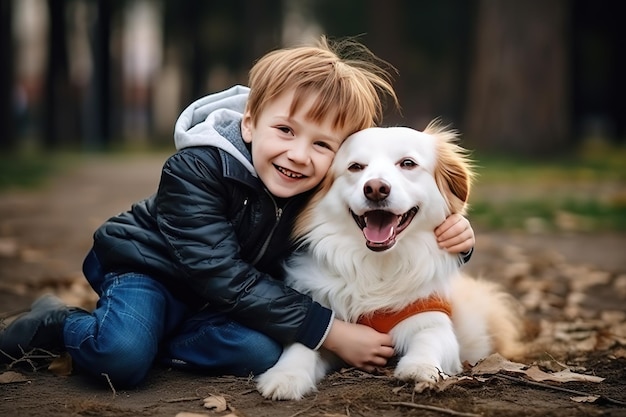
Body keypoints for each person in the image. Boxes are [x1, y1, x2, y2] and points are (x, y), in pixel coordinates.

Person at [0, 37, 475, 388]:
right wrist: (329, 330)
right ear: (250, 122)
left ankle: (156, 340)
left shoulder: (314, 195)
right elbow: (216, 269)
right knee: (121, 356)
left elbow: (405, 219)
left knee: (260, 351)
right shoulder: (196, 168)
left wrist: (459, 238)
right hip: (152, 272)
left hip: (215, 304)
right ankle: (57, 323)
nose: (298, 154)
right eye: (286, 130)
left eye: (321, 145)